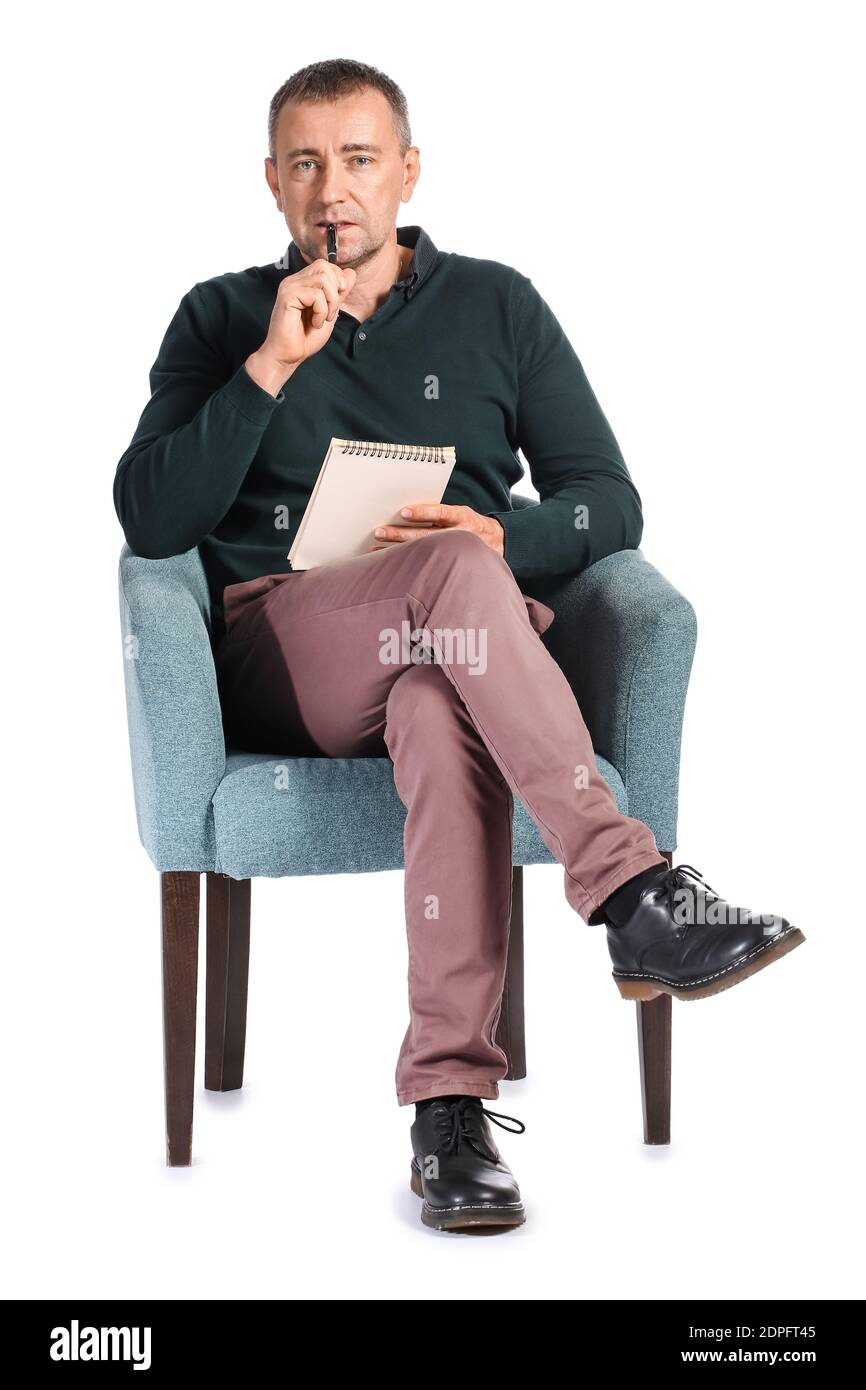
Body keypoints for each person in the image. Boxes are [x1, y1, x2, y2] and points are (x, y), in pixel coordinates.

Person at [113, 58, 805, 1234]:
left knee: (442, 691)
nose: (333, 188)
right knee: (449, 580)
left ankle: (449, 1112)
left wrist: (501, 531)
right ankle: (634, 890)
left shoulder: (498, 307)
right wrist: (270, 366)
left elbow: (607, 502)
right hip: (286, 655)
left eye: (359, 158)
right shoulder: (223, 317)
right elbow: (149, 519)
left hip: (461, 649)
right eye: (305, 163)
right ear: (274, 188)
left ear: (407, 173)